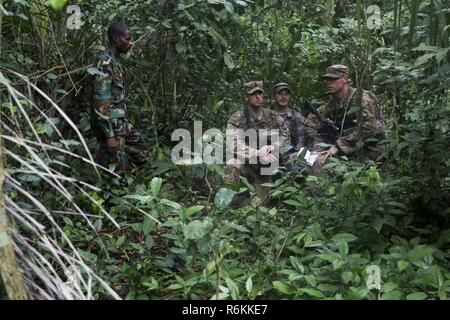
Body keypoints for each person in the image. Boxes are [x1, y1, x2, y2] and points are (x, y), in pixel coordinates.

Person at [91, 21, 148, 179]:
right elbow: (100, 101)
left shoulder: (115, 63)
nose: (130, 43)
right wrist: (109, 136)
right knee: (115, 173)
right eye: (127, 39)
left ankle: (130, 181)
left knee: (141, 151)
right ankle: (113, 196)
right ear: (116, 39)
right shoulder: (105, 63)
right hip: (111, 127)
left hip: (120, 124)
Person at [304, 65, 386, 174]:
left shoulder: (361, 99)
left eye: (333, 79)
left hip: (370, 150)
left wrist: (338, 146)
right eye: (327, 80)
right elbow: (320, 131)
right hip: (346, 150)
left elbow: (369, 128)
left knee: (320, 164)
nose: (329, 83)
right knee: (309, 161)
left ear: (345, 79)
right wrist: (318, 150)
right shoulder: (330, 106)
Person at [224, 81, 290, 200]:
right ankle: (234, 200)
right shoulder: (238, 118)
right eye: (253, 94)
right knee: (232, 164)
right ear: (246, 97)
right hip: (249, 165)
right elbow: (233, 144)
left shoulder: (273, 116)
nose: (258, 97)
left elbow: (286, 136)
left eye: (260, 93)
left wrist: (273, 147)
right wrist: (257, 153)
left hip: (270, 164)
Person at [272, 83, 306, 152]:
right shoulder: (267, 116)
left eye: (286, 94)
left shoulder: (297, 117)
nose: (283, 97)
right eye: (280, 94)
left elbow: (301, 141)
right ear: (274, 95)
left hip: (292, 157)